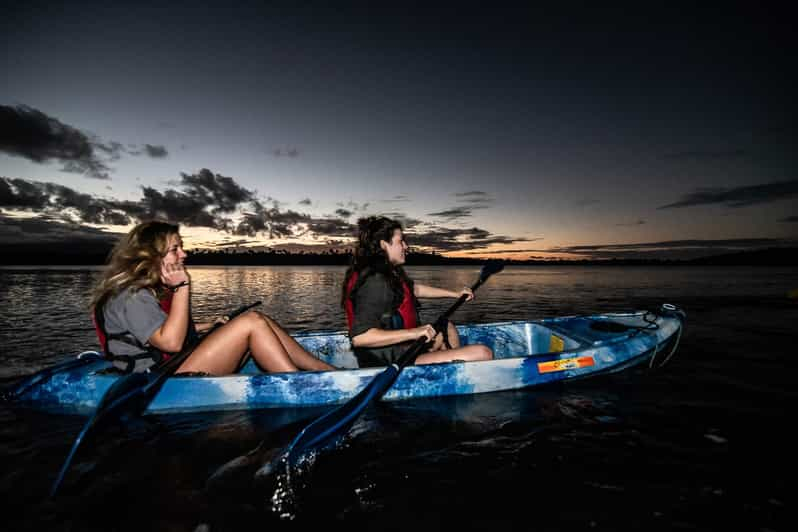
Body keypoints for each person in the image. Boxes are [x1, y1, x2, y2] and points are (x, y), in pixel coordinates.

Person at [90, 220, 334, 375]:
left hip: (172, 366)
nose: (184, 254)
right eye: (175, 249)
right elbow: (171, 343)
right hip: (159, 379)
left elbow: (155, 330)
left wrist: (209, 324)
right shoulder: (130, 295)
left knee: (257, 318)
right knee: (251, 323)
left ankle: (324, 370)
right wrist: (183, 287)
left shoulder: (142, 291)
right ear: (150, 255)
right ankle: (297, 385)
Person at [342, 216, 493, 367]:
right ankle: (445, 370)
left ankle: (446, 368)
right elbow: (360, 337)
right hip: (391, 361)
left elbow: (412, 289)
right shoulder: (375, 281)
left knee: (446, 327)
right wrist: (414, 333)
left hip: (405, 349)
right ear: (384, 245)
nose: (406, 246)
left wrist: (454, 293)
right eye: (400, 241)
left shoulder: (386, 272)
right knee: (482, 354)